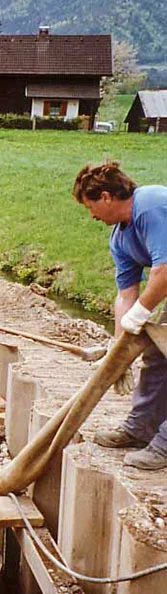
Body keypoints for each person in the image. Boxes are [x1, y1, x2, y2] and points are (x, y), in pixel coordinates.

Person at [73, 160, 167, 470]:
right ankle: (141, 428)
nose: (92, 215)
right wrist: (120, 351)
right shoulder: (120, 238)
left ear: (106, 197)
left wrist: (140, 314)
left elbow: (164, 271)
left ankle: (164, 446)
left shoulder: (150, 205)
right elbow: (126, 295)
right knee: (157, 355)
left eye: (91, 207)